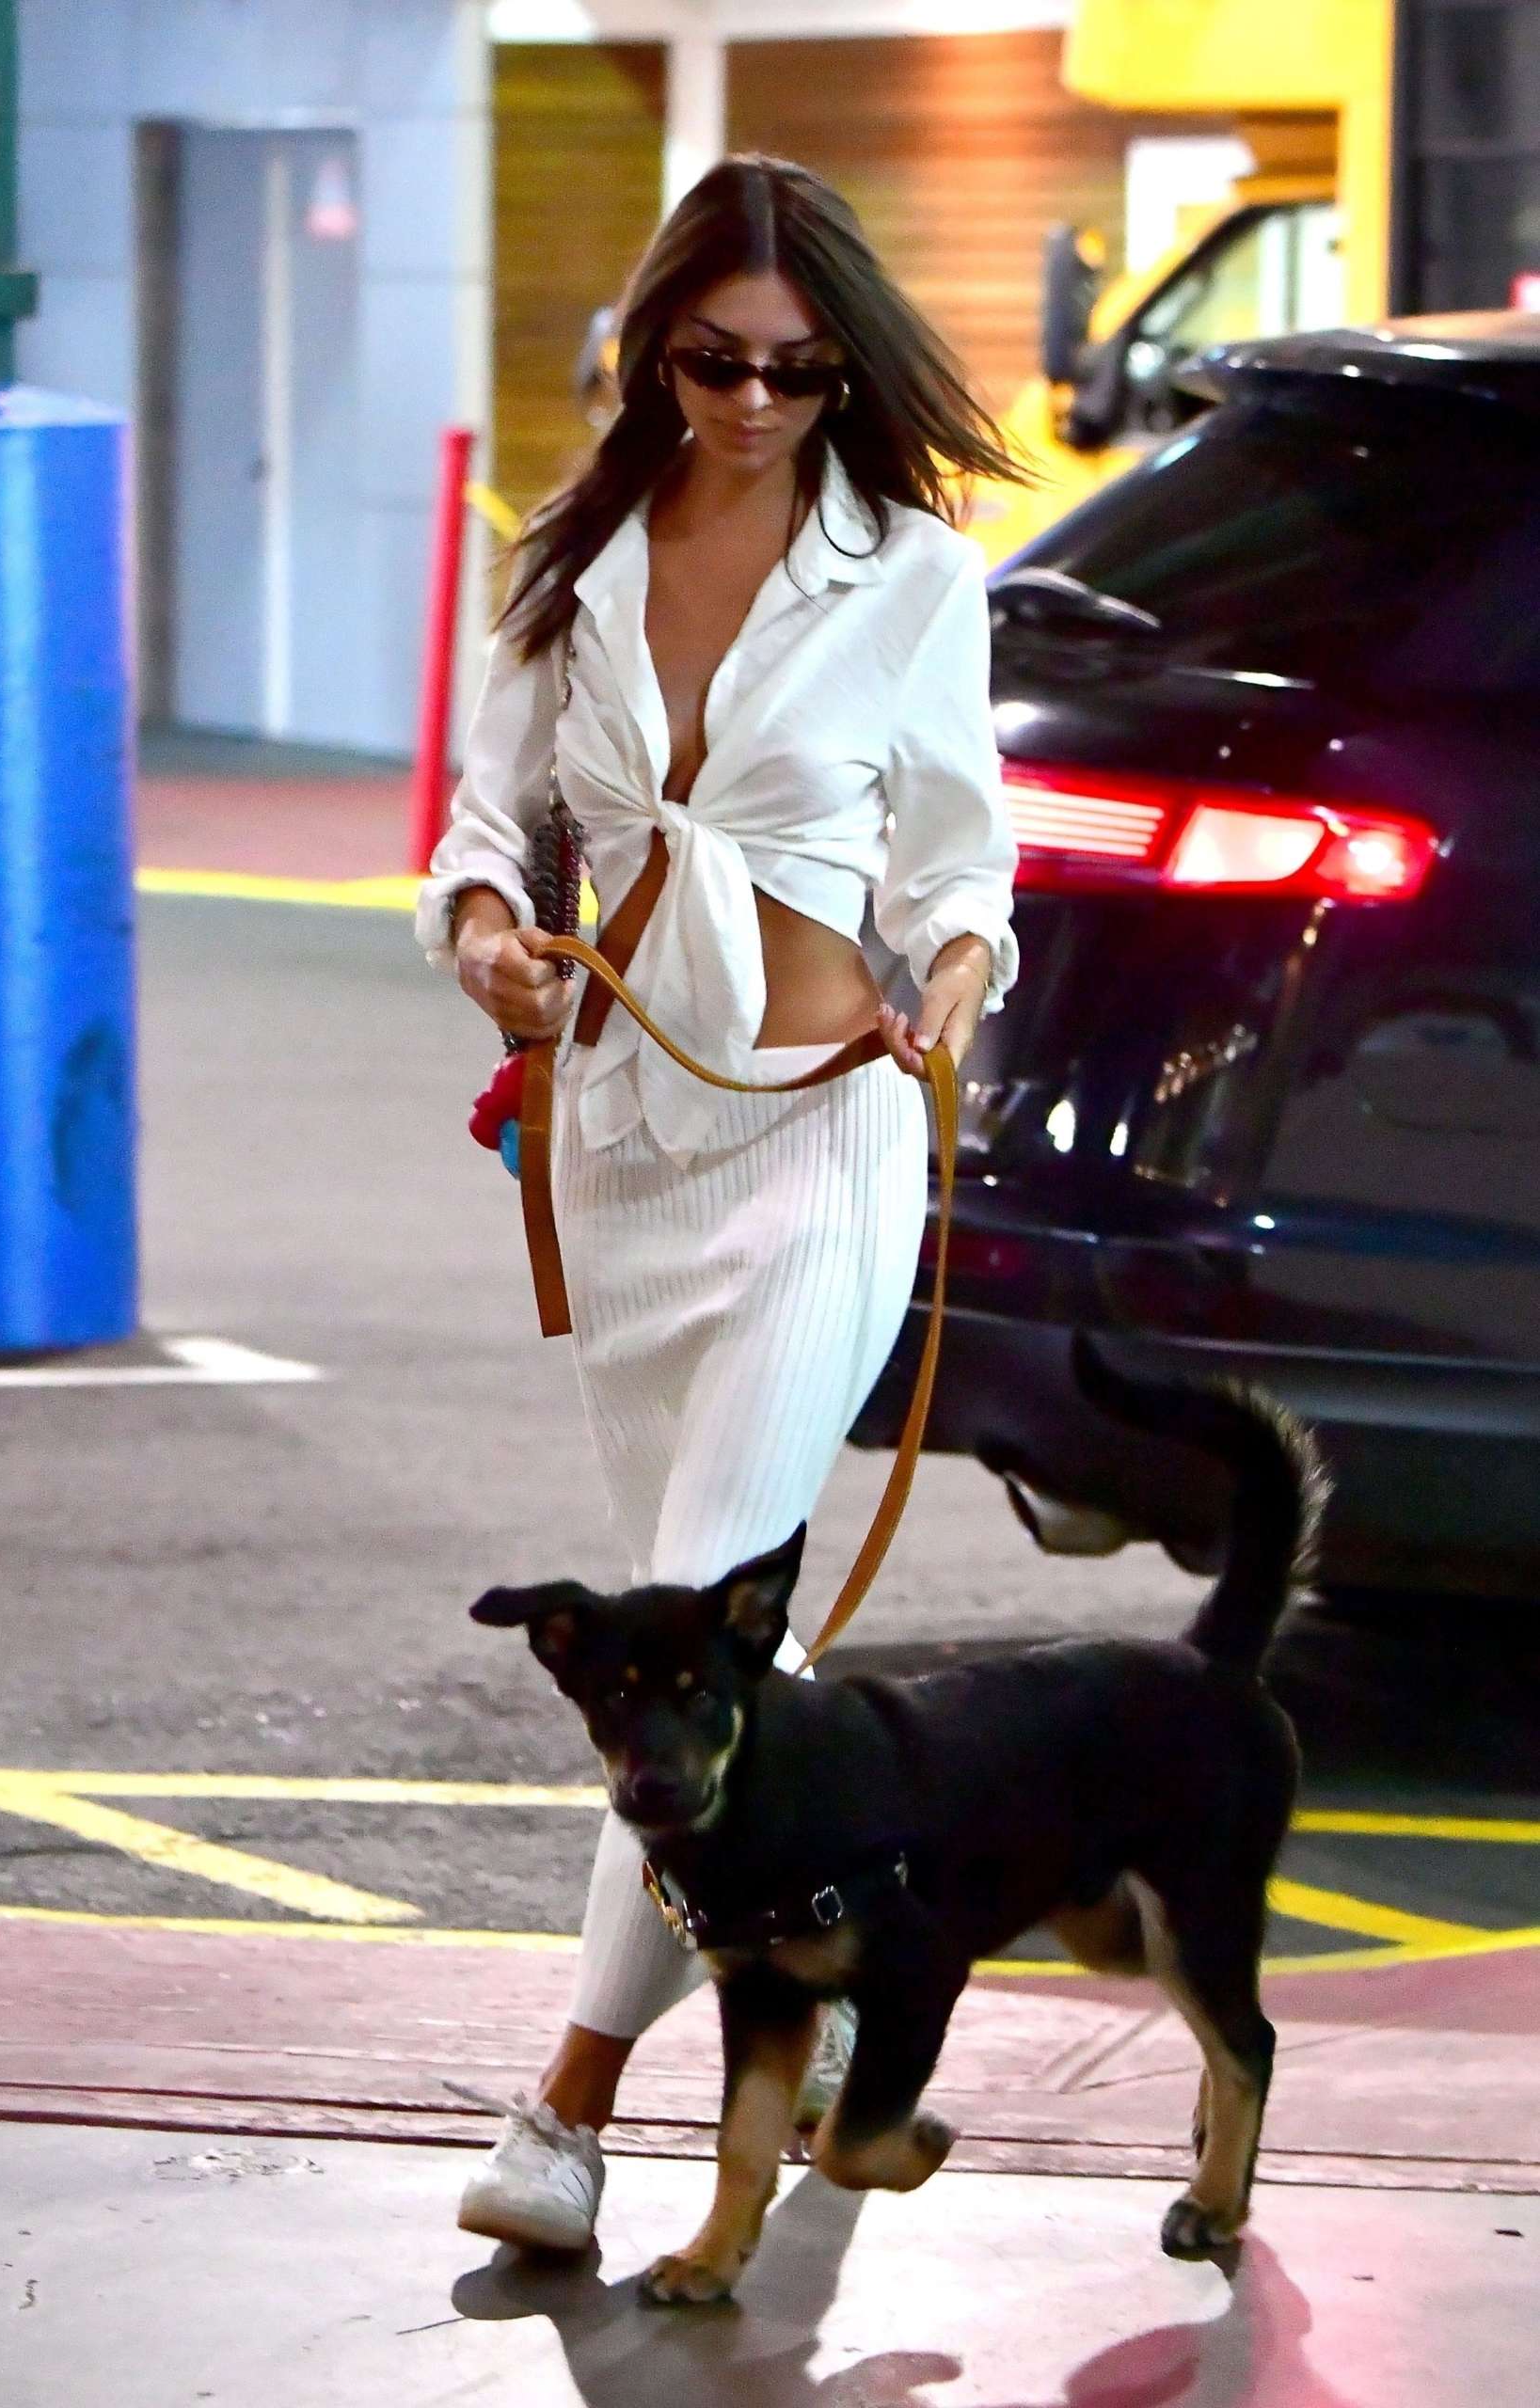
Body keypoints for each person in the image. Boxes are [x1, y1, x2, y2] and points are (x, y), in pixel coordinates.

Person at [416, 153, 1022, 2252]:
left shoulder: (910, 575)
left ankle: (568, 2109)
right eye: (714, 362)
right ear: (650, 347)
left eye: (798, 369)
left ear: (846, 368)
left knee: (683, 1610)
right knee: (714, 1648)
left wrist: (956, 971)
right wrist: (486, 939)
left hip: (823, 1141)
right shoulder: (564, 561)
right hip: (624, 1148)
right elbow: (484, 832)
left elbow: (959, 856)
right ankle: (824, 1969)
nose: (756, 401)